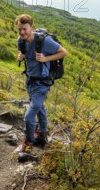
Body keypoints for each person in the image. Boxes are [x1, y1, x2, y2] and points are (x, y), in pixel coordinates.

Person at [15, 14, 68, 153]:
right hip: (30, 81)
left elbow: (63, 52)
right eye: (19, 29)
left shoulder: (44, 42)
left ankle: (28, 142)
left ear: (31, 27)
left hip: (42, 84)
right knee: (39, 108)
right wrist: (21, 57)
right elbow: (24, 54)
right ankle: (43, 133)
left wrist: (46, 58)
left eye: (25, 29)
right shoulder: (21, 41)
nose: (22, 32)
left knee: (28, 116)